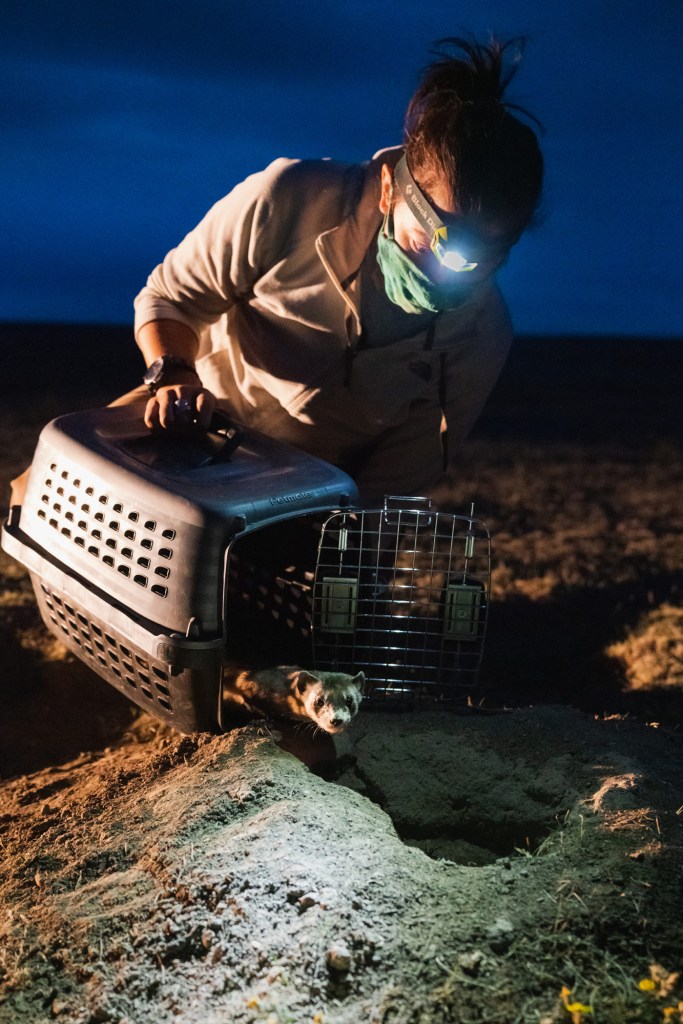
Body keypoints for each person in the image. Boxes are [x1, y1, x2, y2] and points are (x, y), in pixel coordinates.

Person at [11, 36, 543, 507]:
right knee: (43, 489)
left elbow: (401, 478)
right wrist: (173, 376)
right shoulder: (290, 198)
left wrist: (337, 535)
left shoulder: (483, 336)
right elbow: (170, 297)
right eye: (437, 243)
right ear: (388, 188)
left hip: (302, 494)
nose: (454, 273)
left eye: (487, 256)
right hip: (185, 423)